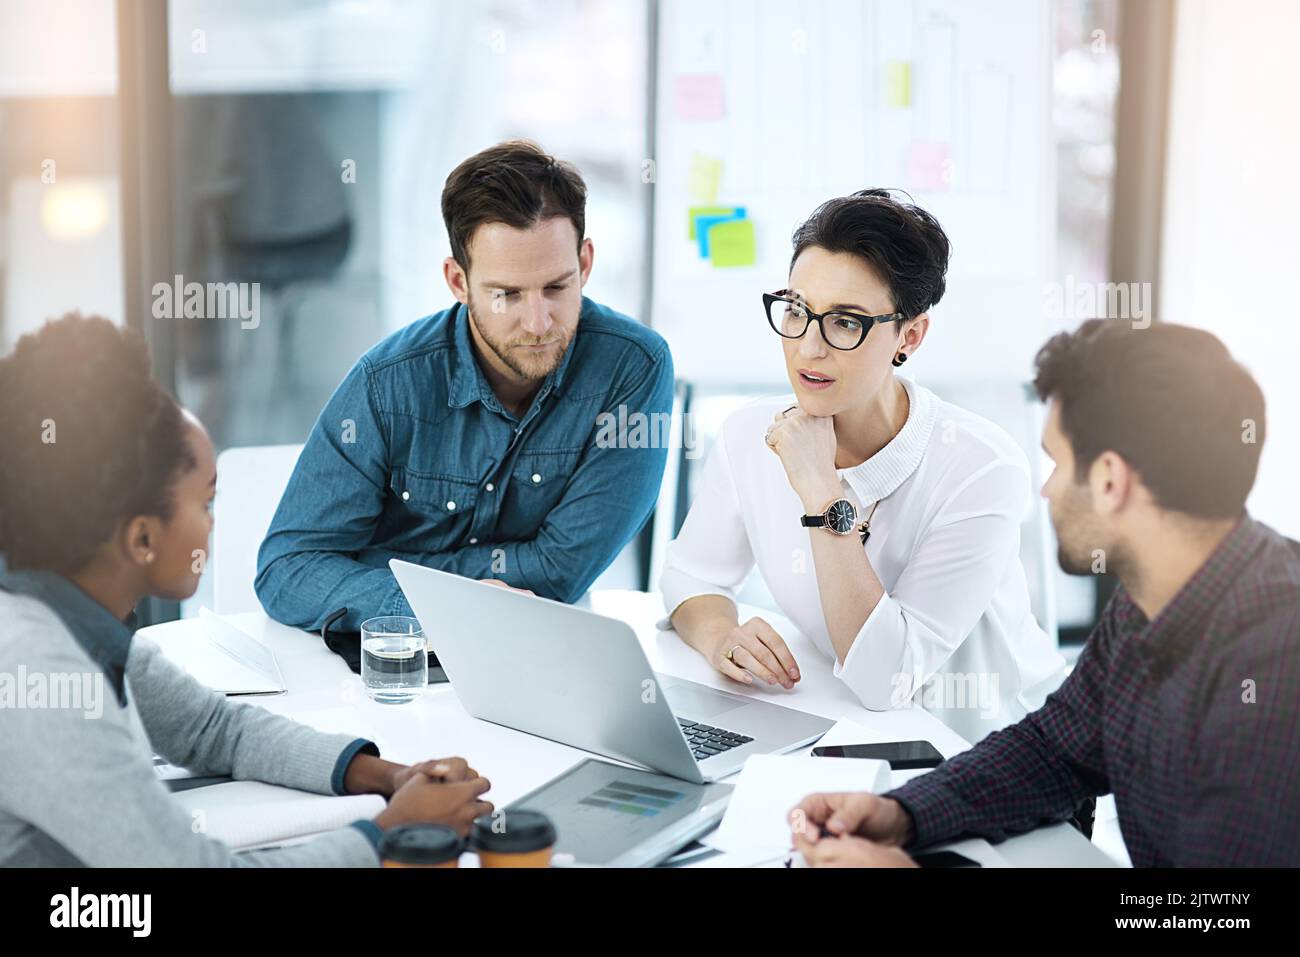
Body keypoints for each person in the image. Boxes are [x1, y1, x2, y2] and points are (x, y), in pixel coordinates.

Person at [790, 319, 1300, 867]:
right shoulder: (1151, 597)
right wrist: (903, 815)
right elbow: (1055, 752)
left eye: (1057, 462)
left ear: (1109, 480)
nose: (1047, 488)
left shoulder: (1273, 660)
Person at [0, 314, 493, 866]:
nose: (213, 525)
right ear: (142, 537)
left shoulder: (75, 625)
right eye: (205, 503)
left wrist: (391, 777)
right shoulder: (38, 675)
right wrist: (390, 835)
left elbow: (215, 730)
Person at [660, 189, 1064, 741]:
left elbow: (888, 679)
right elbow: (691, 574)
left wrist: (821, 494)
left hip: (996, 753)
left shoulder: (981, 468)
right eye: (798, 310)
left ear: (910, 336)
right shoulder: (749, 434)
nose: (808, 349)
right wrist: (719, 634)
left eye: (846, 322)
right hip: (850, 736)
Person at [256, 140, 674, 634]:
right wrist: (445, 604)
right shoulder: (387, 384)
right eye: (507, 295)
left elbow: (562, 571)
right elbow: (287, 569)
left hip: (540, 654)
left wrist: (388, 570)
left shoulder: (633, 368)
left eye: (557, 288)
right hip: (390, 660)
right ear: (458, 281)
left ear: (584, 263)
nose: (538, 323)